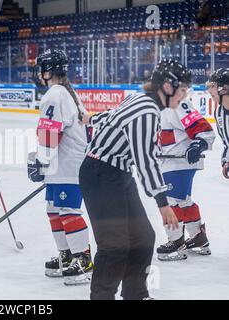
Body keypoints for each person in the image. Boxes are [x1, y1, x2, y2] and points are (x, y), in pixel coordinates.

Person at [79, 59, 187, 300]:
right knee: (114, 245)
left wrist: (91, 120)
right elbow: (146, 160)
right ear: (168, 87)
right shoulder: (147, 110)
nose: (184, 96)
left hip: (117, 174)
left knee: (143, 238)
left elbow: (111, 117)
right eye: (182, 90)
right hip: (101, 174)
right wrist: (162, 201)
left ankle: (135, 294)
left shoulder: (139, 99)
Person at [26, 49, 93, 286]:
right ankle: (67, 255)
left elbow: (49, 132)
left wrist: (41, 160)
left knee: (68, 211)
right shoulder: (67, 93)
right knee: (53, 209)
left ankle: (83, 260)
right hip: (61, 164)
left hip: (68, 165)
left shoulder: (55, 95)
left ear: (47, 71)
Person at [157, 93, 215, 261]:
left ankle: (175, 242)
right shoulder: (160, 106)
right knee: (183, 201)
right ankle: (198, 238)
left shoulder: (177, 103)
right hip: (171, 162)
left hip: (179, 162)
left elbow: (203, 128)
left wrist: (199, 143)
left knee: (169, 201)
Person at [208, 68, 229, 178]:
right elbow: (227, 143)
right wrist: (227, 161)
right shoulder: (218, 113)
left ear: (224, 89)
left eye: (213, 86)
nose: (209, 91)